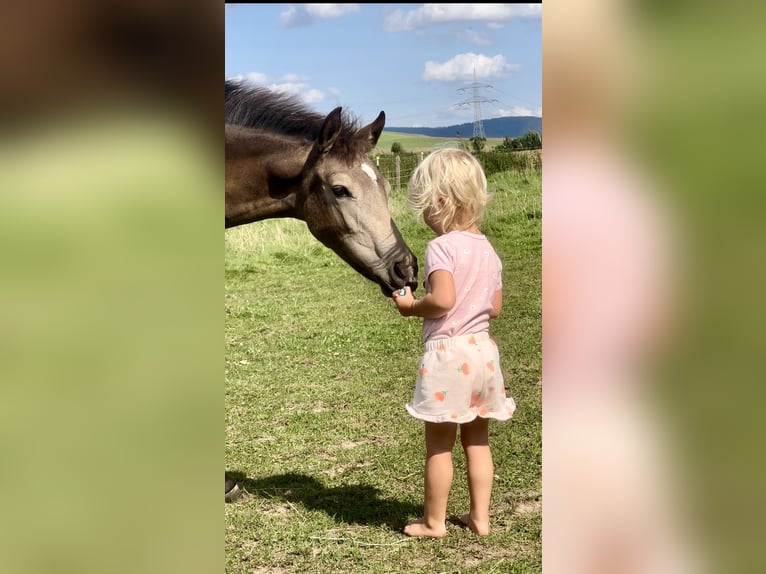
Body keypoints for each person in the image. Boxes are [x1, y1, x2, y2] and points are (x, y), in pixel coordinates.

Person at [392, 148, 516, 538]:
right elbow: (494, 308)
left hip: (451, 357)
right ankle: (480, 518)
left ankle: (434, 522)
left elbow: (442, 300)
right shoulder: (488, 249)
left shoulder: (442, 247)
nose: (426, 217)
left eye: (426, 207)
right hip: (484, 353)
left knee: (439, 445)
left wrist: (411, 305)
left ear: (441, 201)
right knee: (477, 441)